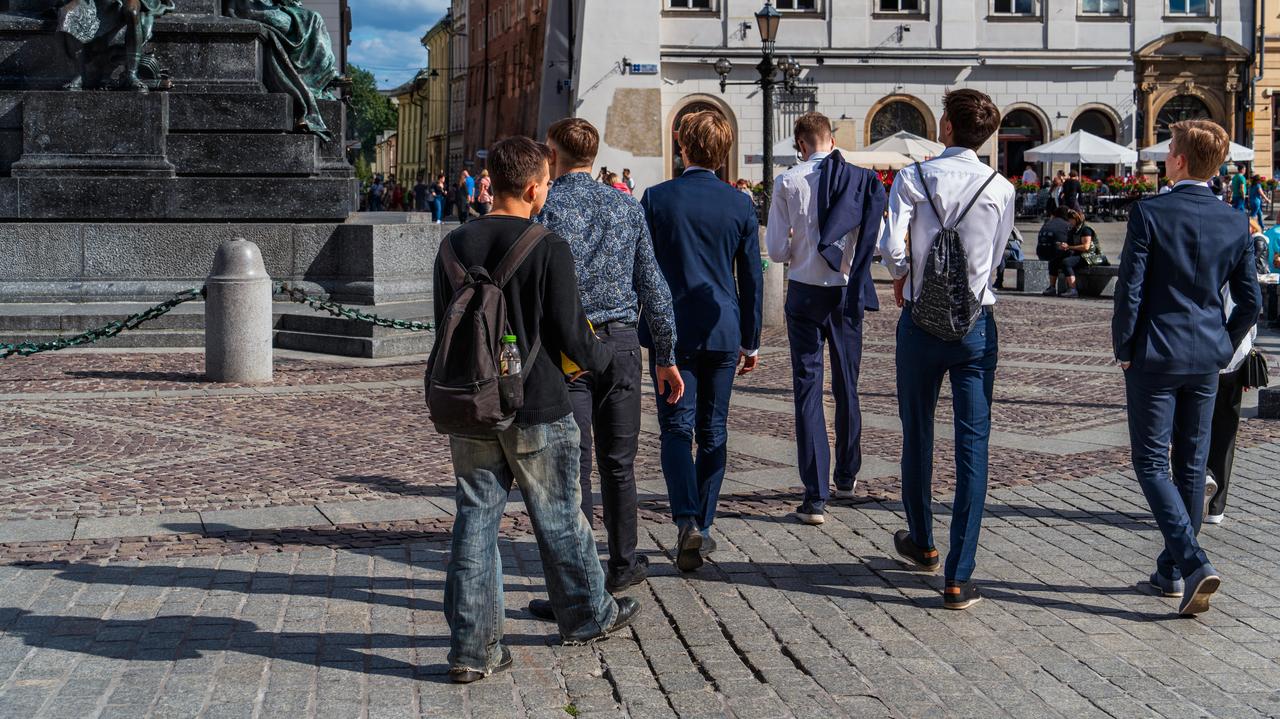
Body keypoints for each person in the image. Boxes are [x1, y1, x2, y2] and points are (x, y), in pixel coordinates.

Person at [435, 136, 641, 683]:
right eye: (546, 183)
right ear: (532, 188)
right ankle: (586, 615)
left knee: (475, 518)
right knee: (558, 515)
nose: (547, 191)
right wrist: (611, 364)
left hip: (473, 402)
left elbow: (444, 327)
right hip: (538, 401)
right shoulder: (545, 244)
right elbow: (571, 333)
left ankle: (472, 650)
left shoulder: (453, 245)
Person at [523, 118, 684, 622]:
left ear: (553, 154)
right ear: (595, 155)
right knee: (620, 461)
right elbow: (654, 286)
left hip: (568, 344)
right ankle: (623, 562)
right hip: (620, 343)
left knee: (573, 465)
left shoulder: (546, 206)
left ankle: (578, 576)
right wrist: (666, 353)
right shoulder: (625, 206)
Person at [1112, 119, 1261, 617]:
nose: (1164, 156)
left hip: (1154, 354)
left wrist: (1124, 346)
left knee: (1152, 462)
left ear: (1180, 160)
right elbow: (1250, 302)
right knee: (1192, 465)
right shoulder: (1235, 220)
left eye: (1169, 149)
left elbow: (1130, 289)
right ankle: (1171, 571)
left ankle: (1193, 563)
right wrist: (1224, 345)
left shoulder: (1150, 212)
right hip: (1205, 359)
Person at [878, 89, 1015, 610]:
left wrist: (905, 275)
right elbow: (998, 256)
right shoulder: (1000, 187)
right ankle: (959, 575)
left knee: (917, 433)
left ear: (949, 128)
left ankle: (922, 541)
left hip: (919, 324)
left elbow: (891, 246)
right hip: (975, 327)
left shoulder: (914, 178)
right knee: (972, 445)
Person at [641, 110, 763, 572]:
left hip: (670, 330)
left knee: (676, 427)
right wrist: (751, 341)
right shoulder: (739, 205)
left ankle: (686, 520)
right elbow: (751, 278)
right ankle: (704, 524)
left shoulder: (657, 199)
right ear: (724, 152)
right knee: (714, 429)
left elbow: (643, 272)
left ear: (683, 147)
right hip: (723, 328)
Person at [766, 112, 886, 525]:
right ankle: (847, 476)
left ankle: (814, 496)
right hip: (846, 291)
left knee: (807, 388)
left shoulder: (788, 181)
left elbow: (777, 251)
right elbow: (880, 241)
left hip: (803, 290)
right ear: (831, 138)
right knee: (847, 384)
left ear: (800, 144)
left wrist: (800, 242)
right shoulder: (860, 179)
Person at [1205, 224, 1262, 526]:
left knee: (1193, 425)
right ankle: (1217, 506)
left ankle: (1197, 484)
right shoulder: (1241, 264)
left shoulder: (1207, 265)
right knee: (1226, 432)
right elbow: (1252, 310)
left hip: (1205, 357)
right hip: (1235, 359)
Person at [1036, 206, 1077, 296]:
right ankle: (1072, 288)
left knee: (1054, 259)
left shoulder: (1048, 223)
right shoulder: (1068, 225)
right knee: (1065, 258)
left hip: (1041, 252)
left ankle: (1052, 287)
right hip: (1057, 252)